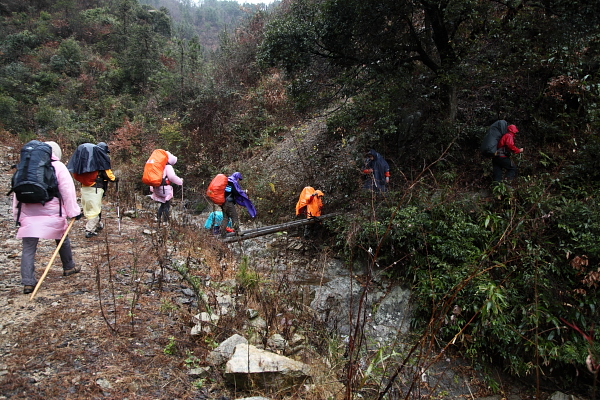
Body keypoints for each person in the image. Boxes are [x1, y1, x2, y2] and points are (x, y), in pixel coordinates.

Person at [13, 141, 82, 294]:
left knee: (28, 247)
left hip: (28, 212)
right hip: (52, 212)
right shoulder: (58, 167)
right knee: (62, 238)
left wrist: (17, 216)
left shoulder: (25, 166)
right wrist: (74, 212)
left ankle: (28, 282)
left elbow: (17, 194)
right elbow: (67, 191)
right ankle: (69, 267)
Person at [74, 142, 118, 238]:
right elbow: (109, 176)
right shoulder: (100, 161)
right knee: (94, 210)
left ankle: (98, 224)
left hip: (85, 188)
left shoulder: (86, 161)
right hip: (96, 189)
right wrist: (115, 179)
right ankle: (89, 230)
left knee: (92, 207)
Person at [149, 151, 183, 223]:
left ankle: (158, 220)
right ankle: (165, 222)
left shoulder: (157, 166)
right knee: (167, 205)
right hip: (164, 189)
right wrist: (180, 182)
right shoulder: (167, 166)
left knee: (162, 204)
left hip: (156, 188)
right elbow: (172, 177)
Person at [220, 172, 256, 237]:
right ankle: (237, 231)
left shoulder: (227, 181)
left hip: (223, 202)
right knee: (234, 216)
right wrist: (244, 191)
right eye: (238, 179)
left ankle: (222, 233)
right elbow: (236, 192)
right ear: (236, 177)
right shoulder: (231, 182)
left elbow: (231, 191)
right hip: (228, 203)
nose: (238, 180)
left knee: (226, 218)